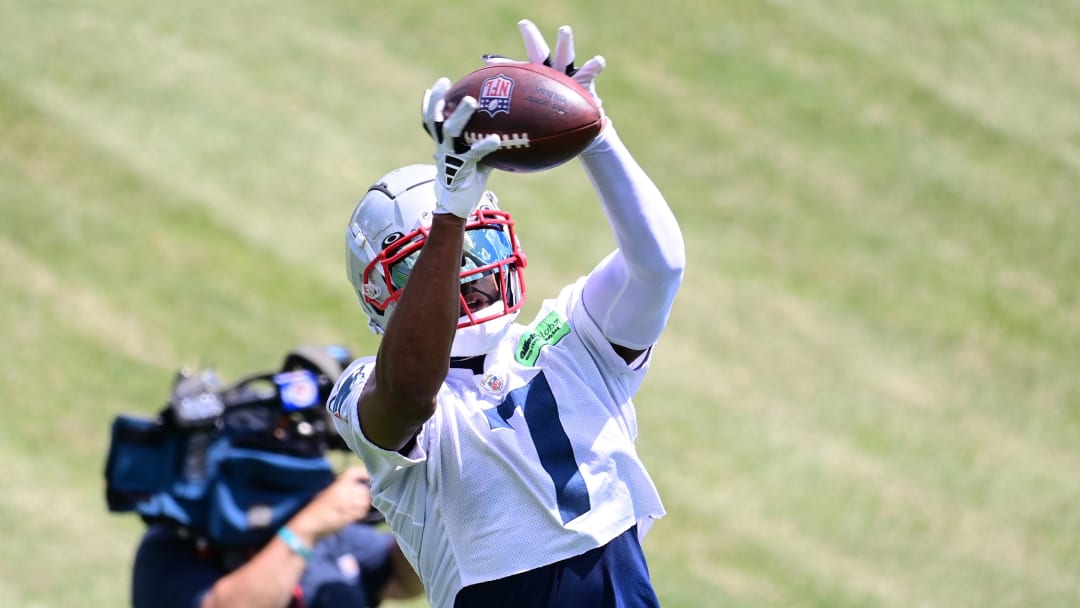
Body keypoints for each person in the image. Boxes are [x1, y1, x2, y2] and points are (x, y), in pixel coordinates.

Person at [327, 18, 685, 608]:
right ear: (384, 295)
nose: (467, 273)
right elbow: (412, 393)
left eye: (477, 244)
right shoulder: (368, 388)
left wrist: (597, 137)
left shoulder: (572, 338)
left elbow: (660, 265)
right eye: (425, 266)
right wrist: (449, 215)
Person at [127, 349, 424, 608]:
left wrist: (411, 500)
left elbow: (401, 579)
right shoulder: (172, 547)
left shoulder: (311, 518)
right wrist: (306, 530)